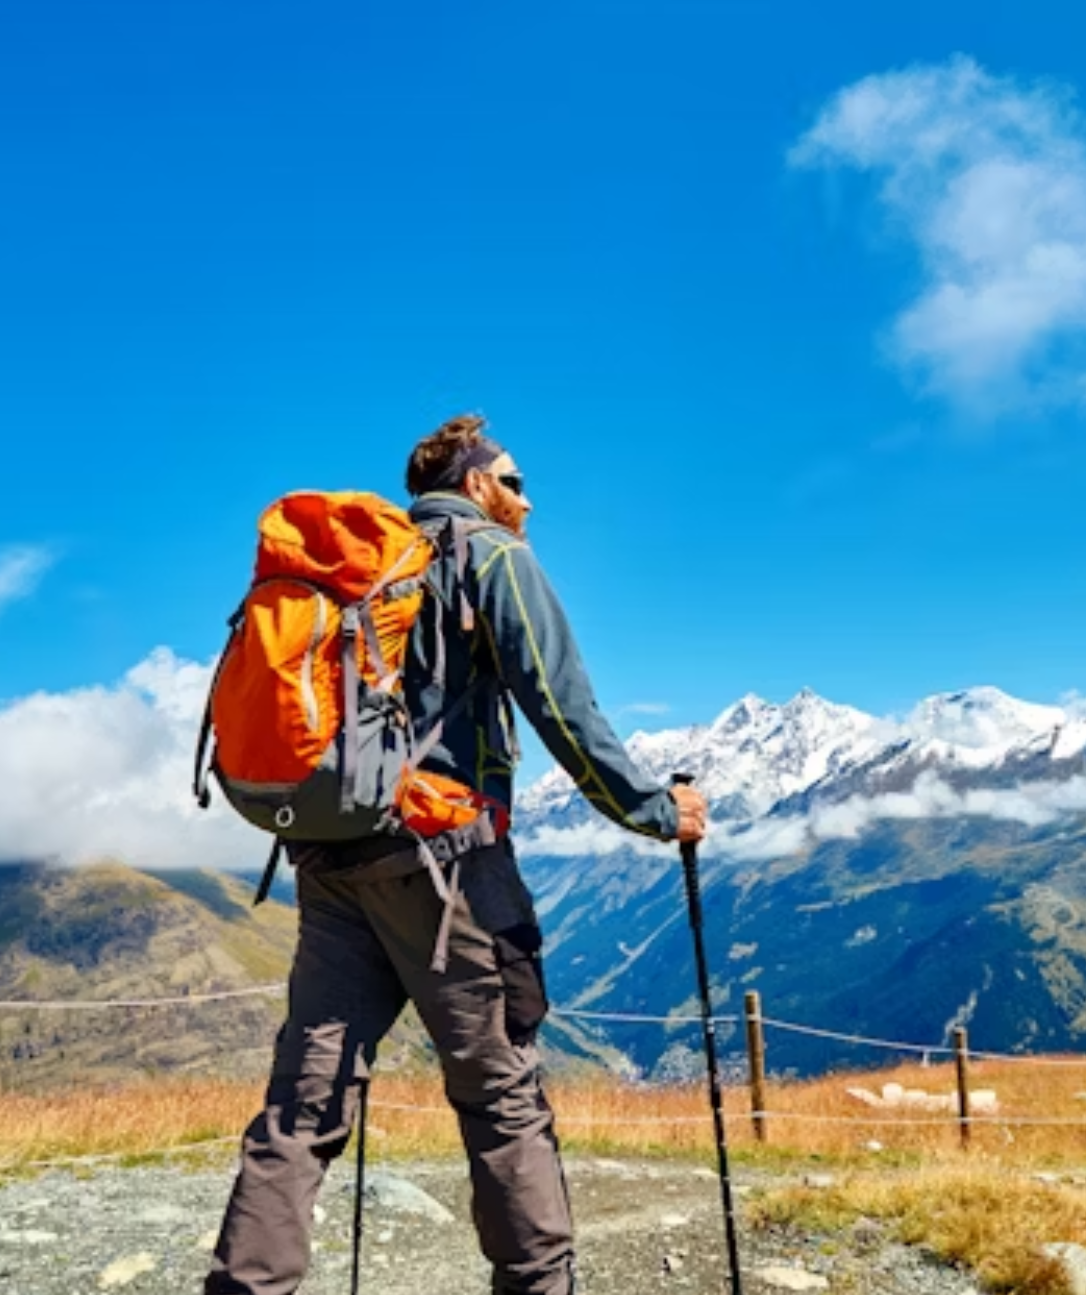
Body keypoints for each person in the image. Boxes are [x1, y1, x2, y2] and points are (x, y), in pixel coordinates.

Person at [205, 414, 709, 1295]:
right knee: (501, 1099)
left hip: (329, 864)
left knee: (301, 1106)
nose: (526, 498)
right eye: (513, 481)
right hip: (449, 871)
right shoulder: (490, 556)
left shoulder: (360, 573)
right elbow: (562, 705)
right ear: (475, 482)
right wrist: (655, 811)